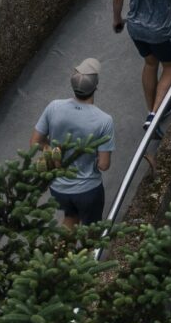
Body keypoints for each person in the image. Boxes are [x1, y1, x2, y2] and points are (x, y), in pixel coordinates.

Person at [31, 58, 114, 226]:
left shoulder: (54, 107)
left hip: (58, 188)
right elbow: (104, 165)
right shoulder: (104, 120)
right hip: (88, 189)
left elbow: (35, 142)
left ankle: (60, 252)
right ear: (95, 87)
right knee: (91, 232)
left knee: (70, 217)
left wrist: (55, 153)